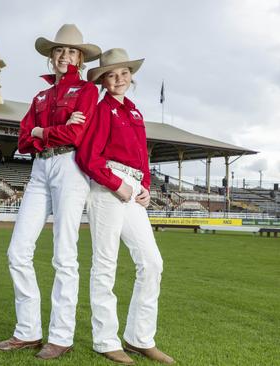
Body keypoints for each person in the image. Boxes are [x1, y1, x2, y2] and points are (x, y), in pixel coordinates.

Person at [0, 24, 101, 360]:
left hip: (70, 168)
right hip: (40, 167)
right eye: (59, 51)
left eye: (71, 52)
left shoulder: (86, 92)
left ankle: (61, 336)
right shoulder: (40, 97)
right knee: (17, 251)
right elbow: (24, 140)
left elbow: (76, 137)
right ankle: (27, 331)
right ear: (51, 57)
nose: (64, 56)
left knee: (64, 254)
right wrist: (48, 130)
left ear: (80, 59)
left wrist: (43, 131)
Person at [76, 48, 175, 365]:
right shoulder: (101, 109)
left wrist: (145, 187)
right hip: (108, 185)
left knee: (152, 262)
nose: (118, 78)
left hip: (134, 189)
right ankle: (106, 340)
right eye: (111, 74)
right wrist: (116, 184)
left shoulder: (134, 112)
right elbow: (87, 157)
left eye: (124, 73)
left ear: (131, 76)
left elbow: (142, 158)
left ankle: (139, 338)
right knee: (105, 263)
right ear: (103, 80)